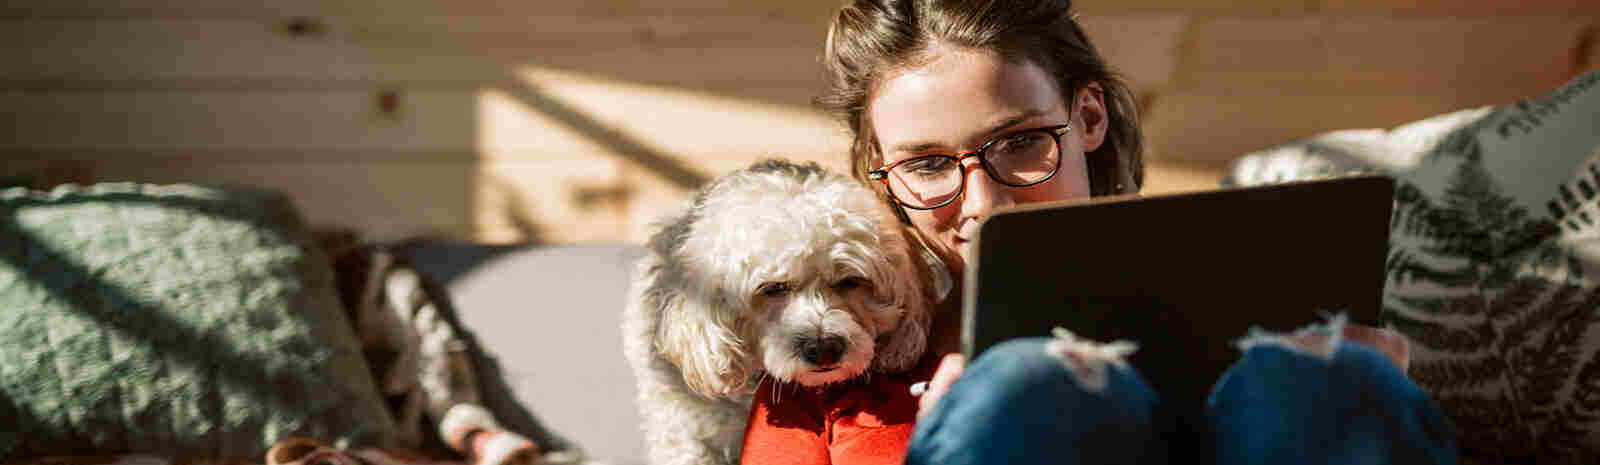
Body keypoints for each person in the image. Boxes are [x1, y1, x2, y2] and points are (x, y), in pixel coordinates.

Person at [802, 0, 1462, 463]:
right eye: (925, 163)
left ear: (1088, 117)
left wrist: (1373, 396)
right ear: (879, 172)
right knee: (1028, 387)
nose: (986, 202)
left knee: (1325, 379)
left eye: (1022, 142)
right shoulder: (825, 363)